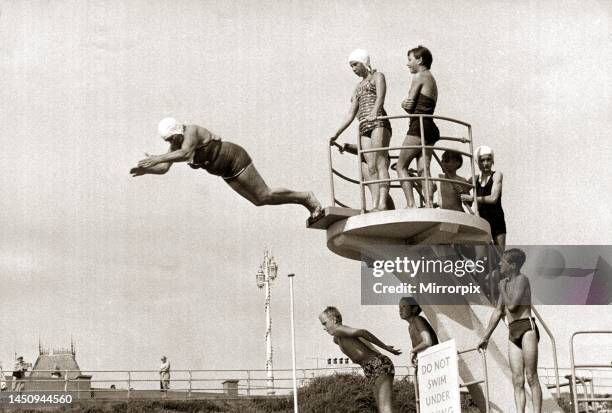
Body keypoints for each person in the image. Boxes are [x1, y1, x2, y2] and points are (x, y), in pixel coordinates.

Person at [130, 118, 323, 221]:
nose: (172, 143)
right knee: (260, 201)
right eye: (168, 141)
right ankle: (302, 201)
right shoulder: (175, 145)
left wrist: (157, 157)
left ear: (177, 131)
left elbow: (185, 153)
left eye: (172, 139)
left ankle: (306, 197)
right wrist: (148, 170)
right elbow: (165, 167)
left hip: (234, 158)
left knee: (265, 193)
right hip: (225, 172)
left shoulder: (191, 132)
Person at [478, 248, 542, 413]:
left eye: (503, 262)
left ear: (512, 265)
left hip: (527, 328)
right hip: (513, 331)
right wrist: (485, 337)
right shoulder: (504, 284)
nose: (499, 264)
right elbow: (499, 311)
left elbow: (512, 307)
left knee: (531, 376)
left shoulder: (522, 280)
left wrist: (501, 288)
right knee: (517, 379)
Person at [330, 49, 393, 211]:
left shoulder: (377, 76)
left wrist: (374, 113)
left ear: (364, 62)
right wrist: (336, 133)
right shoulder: (358, 87)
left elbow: (380, 97)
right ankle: (375, 204)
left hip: (378, 122)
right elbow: (351, 113)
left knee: (380, 162)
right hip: (364, 126)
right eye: (351, 66)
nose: (353, 69)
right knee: (370, 166)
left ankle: (383, 204)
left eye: (355, 64)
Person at [319, 306, 401, 413]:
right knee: (382, 408)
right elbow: (363, 340)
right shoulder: (337, 338)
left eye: (324, 323)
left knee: (385, 408)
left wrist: (385, 347)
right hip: (371, 367)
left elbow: (362, 332)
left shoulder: (338, 330)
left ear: (334, 320)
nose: (324, 328)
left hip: (378, 364)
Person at [395, 45, 439, 208]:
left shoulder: (419, 76)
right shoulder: (431, 78)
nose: (408, 64)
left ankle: (411, 204)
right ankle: (429, 203)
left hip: (418, 126)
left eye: (410, 59)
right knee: (423, 171)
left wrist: (402, 103)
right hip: (430, 127)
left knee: (401, 166)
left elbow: (409, 105)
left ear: (419, 60)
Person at [461, 145, 506, 252]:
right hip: (481, 218)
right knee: (483, 255)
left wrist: (472, 198)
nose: (485, 163)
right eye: (482, 161)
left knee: (500, 254)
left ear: (492, 160)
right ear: (477, 162)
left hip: (497, 219)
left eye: (488, 160)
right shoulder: (474, 179)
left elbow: (493, 198)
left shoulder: (497, 175)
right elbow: (461, 192)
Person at [337, 142, 396, 210]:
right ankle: (384, 208)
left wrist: (347, 146)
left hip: (376, 157)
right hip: (371, 158)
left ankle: (379, 207)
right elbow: (362, 148)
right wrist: (347, 146)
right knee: (379, 189)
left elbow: (366, 146)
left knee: (378, 188)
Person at [398, 297, 439, 365]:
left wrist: (413, 351)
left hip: (434, 359)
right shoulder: (410, 327)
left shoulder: (417, 319)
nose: (400, 310)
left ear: (414, 309)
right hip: (427, 360)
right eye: (399, 307)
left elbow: (427, 342)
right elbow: (417, 347)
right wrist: (415, 354)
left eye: (404, 306)